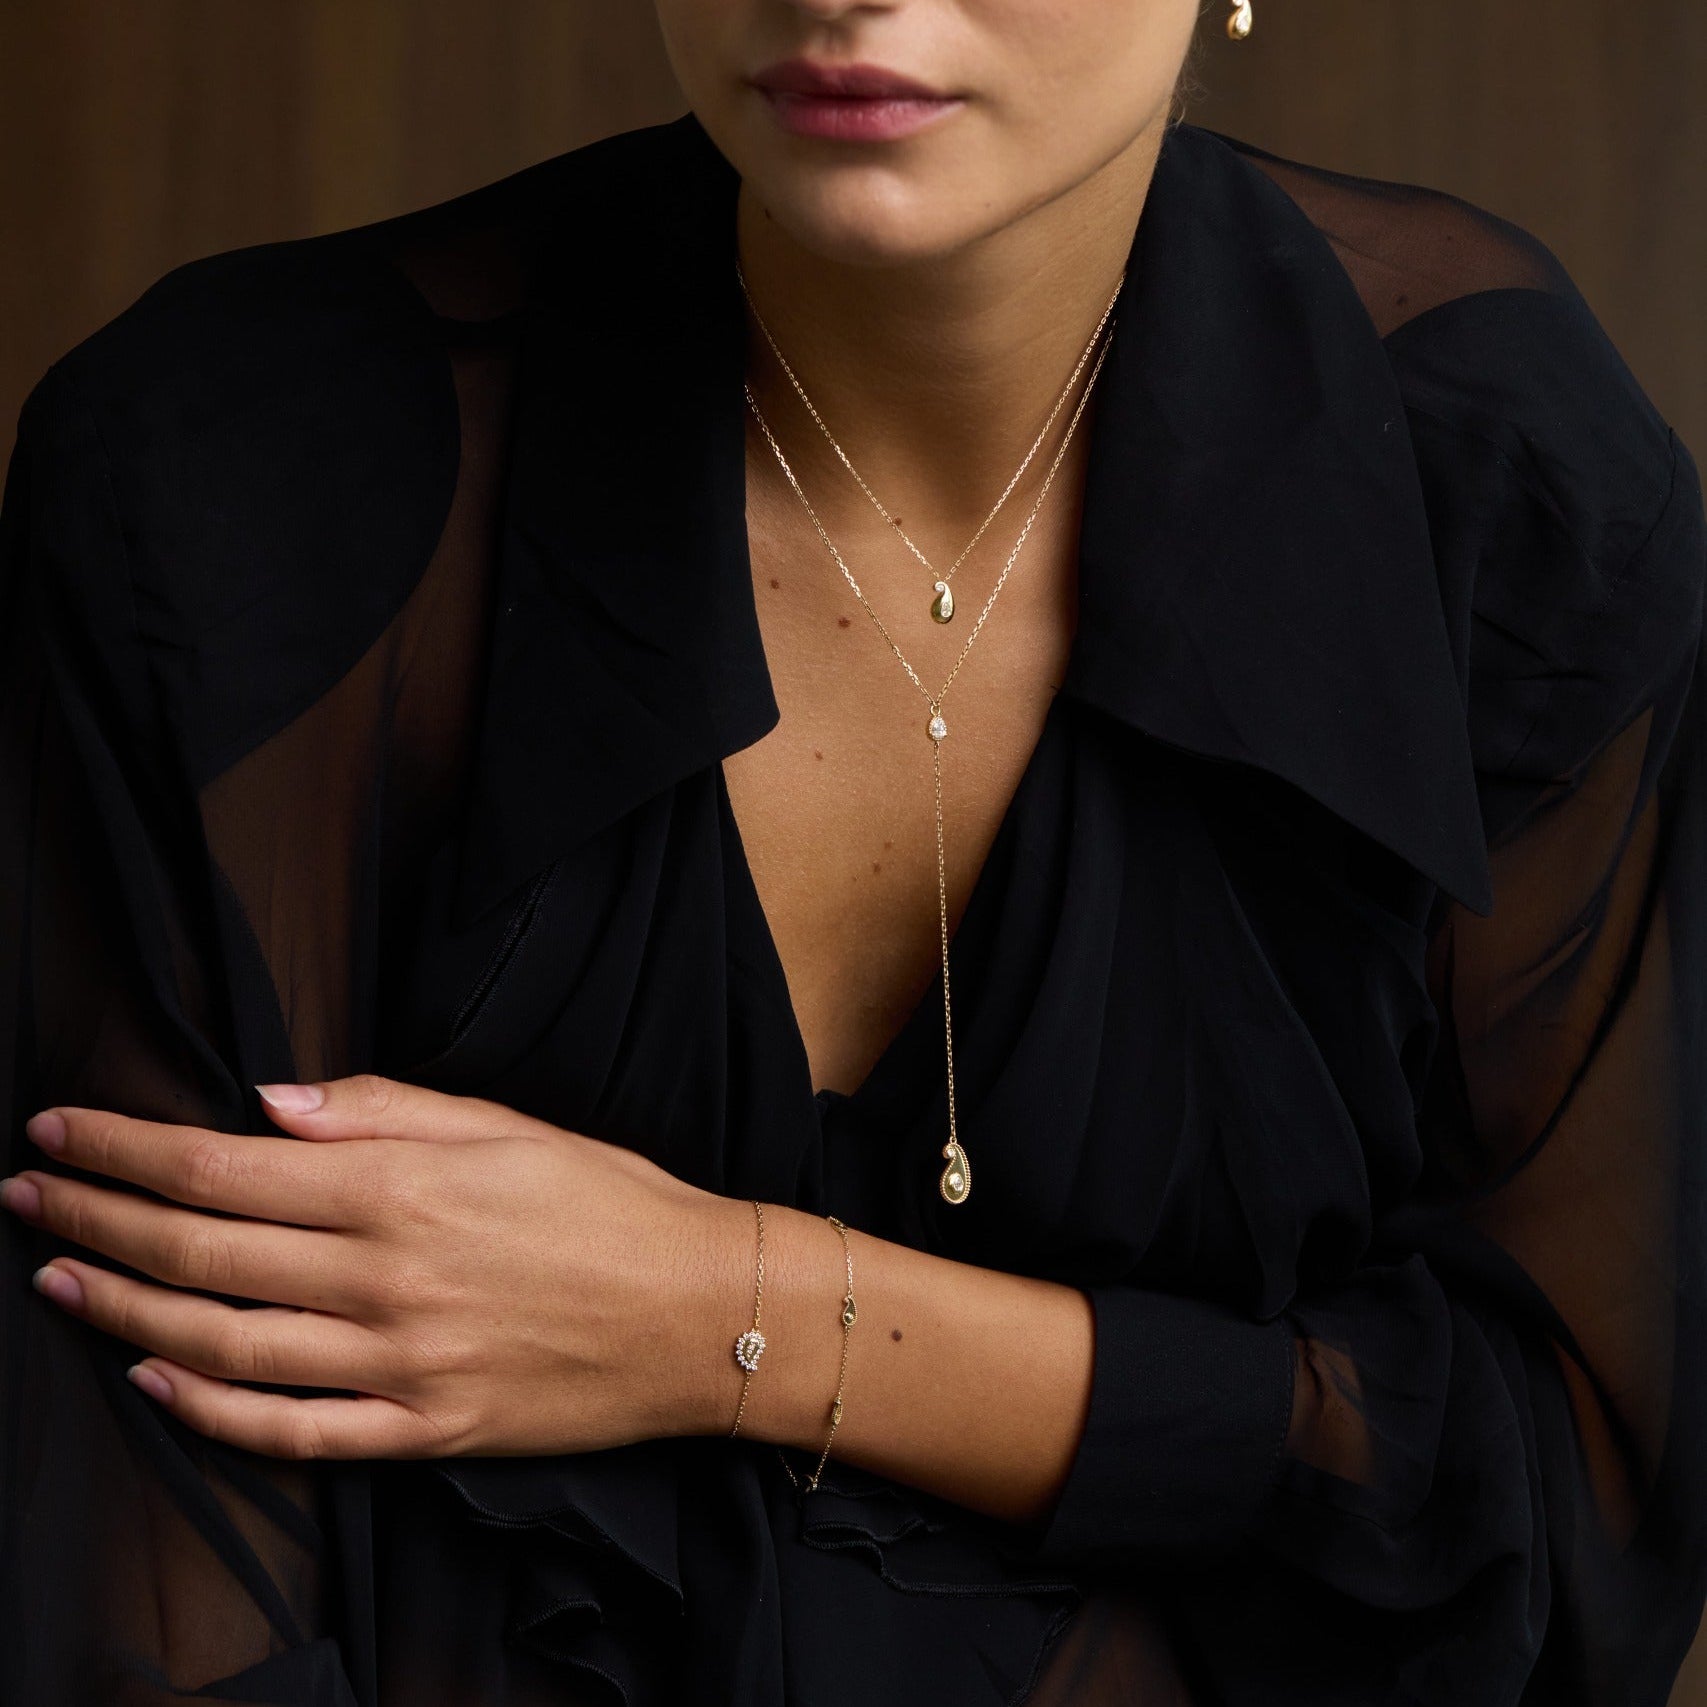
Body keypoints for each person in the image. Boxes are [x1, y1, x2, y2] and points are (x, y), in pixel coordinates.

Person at [2, 2, 1705, 1702]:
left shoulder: (1507, 497)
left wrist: (735, 1319)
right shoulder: (231, 488)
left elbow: (1561, 1531)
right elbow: (130, 1590)